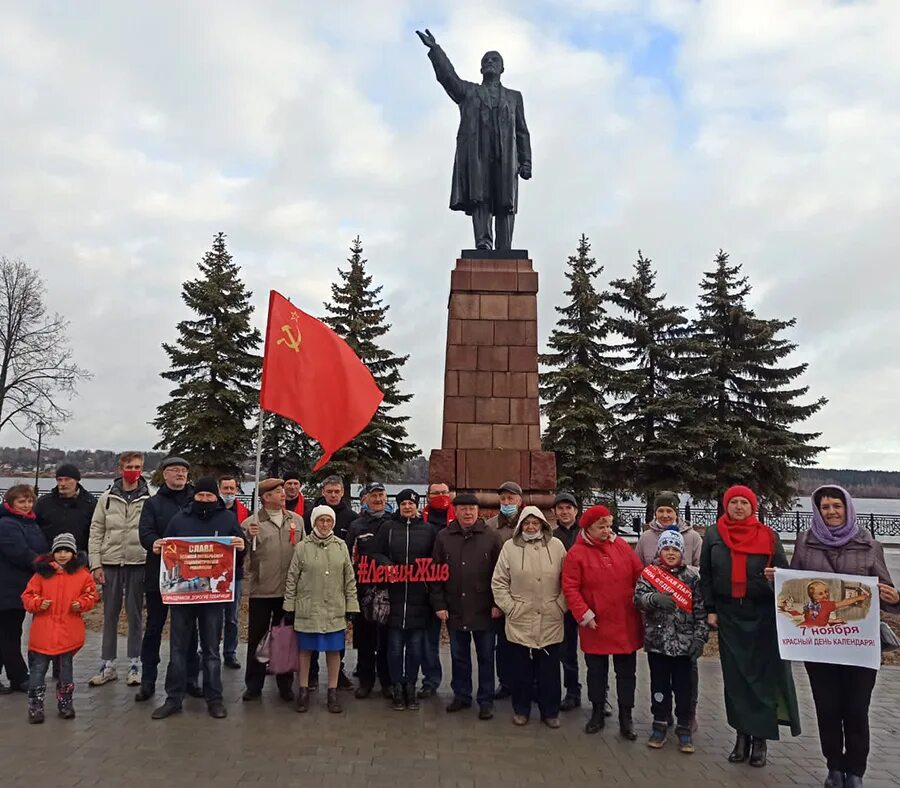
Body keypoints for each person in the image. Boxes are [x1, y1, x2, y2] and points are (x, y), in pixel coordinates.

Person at [789, 485, 900, 788]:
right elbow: (794, 591)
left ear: (847, 508)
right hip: (821, 647)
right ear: (818, 510)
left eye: (836, 506)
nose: (831, 512)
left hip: (859, 646)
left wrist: (894, 597)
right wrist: (778, 581)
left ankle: (856, 772)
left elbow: (886, 595)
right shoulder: (805, 543)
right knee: (827, 708)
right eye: (825, 507)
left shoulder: (869, 546)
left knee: (855, 709)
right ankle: (834, 768)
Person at [699, 485, 800, 768]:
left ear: (752, 506)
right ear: (726, 505)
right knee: (736, 679)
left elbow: (785, 578)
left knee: (761, 677)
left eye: (744, 502)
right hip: (729, 614)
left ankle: (760, 741)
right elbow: (706, 574)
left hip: (762, 615)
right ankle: (741, 736)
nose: (739, 507)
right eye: (734, 502)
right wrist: (710, 610)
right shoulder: (714, 534)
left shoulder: (768, 536)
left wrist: (774, 576)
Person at [416, 28, 532, 251]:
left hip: (506, 157)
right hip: (478, 155)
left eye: (494, 59)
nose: (490, 62)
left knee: (506, 202)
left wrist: (526, 161)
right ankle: (483, 242)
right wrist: (436, 50)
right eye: (486, 60)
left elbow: (522, 131)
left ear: (502, 68)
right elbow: (448, 79)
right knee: (481, 198)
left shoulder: (514, 97)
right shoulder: (469, 92)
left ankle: (505, 247)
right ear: (480, 68)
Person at [150, 477, 245, 720]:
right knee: (179, 648)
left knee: (212, 649)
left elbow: (238, 558)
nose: (205, 500)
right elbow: (168, 553)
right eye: (201, 496)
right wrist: (160, 546)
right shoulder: (180, 519)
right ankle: (173, 698)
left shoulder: (227, 519)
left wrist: (240, 545)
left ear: (216, 497)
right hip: (183, 596)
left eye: (209, 496)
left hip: (212, 596)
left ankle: (215, 699)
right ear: (195, 496)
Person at [561, 504, 643, 740]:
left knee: (626, 673)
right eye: (602, 526)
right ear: (589, 527)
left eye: (609, 525)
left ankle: (626, 718)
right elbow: (570, 587)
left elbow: (639, 573)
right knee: (596, 672)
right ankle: (597, 712)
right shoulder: (576, 554)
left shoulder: (621, 546)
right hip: (595, 622)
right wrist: (584, 614)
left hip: (624, 620)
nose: (607, 530)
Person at [633, 527, 708, 754]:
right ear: (659, 551)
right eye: (665, 548)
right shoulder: (650, 574)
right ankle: (660, 723)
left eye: (675, 548)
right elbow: (637, 599)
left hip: (684, 647)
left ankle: (684, 728)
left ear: (682, 552)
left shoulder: (692, 578)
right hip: (658, 644)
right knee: (659, 687)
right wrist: (653, 598)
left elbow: (701, 612)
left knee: (684, 689)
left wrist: (699, 638)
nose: (670, 552)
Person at [491, 505, 567, 728]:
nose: (531, 527)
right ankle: (521, 710)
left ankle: (550, 711)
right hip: (520, 617)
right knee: (521, 669)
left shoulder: (556, 546)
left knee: (550, 670)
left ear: (543, 524)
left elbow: (569, 579)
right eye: (527, 523)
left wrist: (561, 606)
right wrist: (510, 608)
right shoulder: (509, 547)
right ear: (520, 525)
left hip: (550, 616)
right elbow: (499, 582)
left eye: (535, 523)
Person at [431, 493, 503, 720]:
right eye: (463, 508)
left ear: (478, 510)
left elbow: (500, 574)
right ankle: (461, 695)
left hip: (484, 608)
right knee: (459, 655)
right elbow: (435, 574)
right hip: (455, 606)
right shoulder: (444, 537)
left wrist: (497, 604)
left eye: (472, 508)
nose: (468, 512)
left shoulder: (490, 537)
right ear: (456, 511)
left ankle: (486, 700)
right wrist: (439, 603)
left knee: (485, 656)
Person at [135, 457, 200, 702]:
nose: (180, 474)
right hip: (159, 576)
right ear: (165, 474)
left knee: (190, 631)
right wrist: (154, 543)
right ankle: (148, 680)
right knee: (154, 628)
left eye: (184, 470)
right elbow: (146, 532)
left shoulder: (196, 500)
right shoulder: (153, 504)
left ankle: (191, 678)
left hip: (191, 577)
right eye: (174, 470)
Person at [284, 505, 358, 715]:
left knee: (334, 651)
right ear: (314, 523)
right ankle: (304, 690)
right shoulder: (302, 547)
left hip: (334, 608)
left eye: (328, 521)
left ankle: (332, 692)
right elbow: (292, 578)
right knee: (305, 651)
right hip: (308, 607)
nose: (325, 525)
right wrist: (289, 605)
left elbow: (349, 579)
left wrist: (351, 605)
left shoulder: (341, 546)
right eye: (320, 521)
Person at [87, 451, 150, 689]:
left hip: (138, 562)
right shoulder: (107, 498)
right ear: (120, 469)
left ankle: (135, 663)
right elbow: (96, 531)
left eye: (138, 466)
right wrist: (96, 563)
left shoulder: (149, 497)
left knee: (135, 616)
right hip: (111, 563)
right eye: (129, 466)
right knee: (110, 615)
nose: (133, 470)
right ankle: (107, 663)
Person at [21, 532, 98, 723]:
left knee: (66, 670)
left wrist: (81, 603)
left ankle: (65, 703)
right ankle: (35, 705)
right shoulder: (41, 574)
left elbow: (91, 596)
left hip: (67, 632)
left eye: (67, 550)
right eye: (59, 550)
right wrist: (38, 603)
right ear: (52, 552)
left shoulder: (82, 575)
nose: (62, 554)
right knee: (38, 670)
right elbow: (28, 596)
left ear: (73, 553)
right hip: (43, 633)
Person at [371, 489, 437, 710]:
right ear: (398, 506)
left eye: (411, 503)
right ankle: (397, 686)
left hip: (419, 597)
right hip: (394, 596)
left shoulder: (428, 530)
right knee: (395, 648)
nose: (408, 507)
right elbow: (375, 553)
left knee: (416, 648)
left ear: (417, 506)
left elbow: (436, 560)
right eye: (403, 504)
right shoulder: (388, 528)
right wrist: (386, 564)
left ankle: (411, 685)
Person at [241, 477, 303, 702]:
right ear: (266, 497)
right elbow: (242, 558)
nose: (283, 494)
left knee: (285, 639)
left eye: (282, 490)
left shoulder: (296, 520)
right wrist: (248, 538)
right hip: (261, 590)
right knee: (257, 638)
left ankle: (285, 684)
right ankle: (253, 684)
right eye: (278, 491)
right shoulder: (251, 523)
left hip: (287, 591)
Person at [303, 474, 355, 691]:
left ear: (342, 492)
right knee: (311, 630)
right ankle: (312, 673)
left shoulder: (352, 517)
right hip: (313, 583)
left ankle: (338, 671)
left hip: (337, 584)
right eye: (329, 491)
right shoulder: (309, 516)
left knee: (336, 633)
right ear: (323, 492)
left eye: (337, 491)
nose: (333, 495)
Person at [0, 485, 48, 694]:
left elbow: (40, 546)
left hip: (20, 587)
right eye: (22, 502)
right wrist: (42, 562)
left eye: (29, 501)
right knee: (9, 634)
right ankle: (19, 677)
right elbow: (19, 552)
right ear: (11, 503)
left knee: (8, 633)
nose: (27, 505)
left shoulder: (30, 522)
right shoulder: (6, 524)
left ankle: (14, 676)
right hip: (6, 587)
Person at [347, 482, 391, 699]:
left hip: (387, 591)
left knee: (385, 640)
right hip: (363, 589)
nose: (378, 500)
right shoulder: (357, 526)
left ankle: (387, 681)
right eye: (373, 496)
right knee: (364, 639)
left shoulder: (393, 523)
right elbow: (348, 559)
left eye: (381, 495)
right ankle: (365, 680)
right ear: (365, 499)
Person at [486, 480, 522, 700]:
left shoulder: (531, 523)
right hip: (500, 594)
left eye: (511, 498)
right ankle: (505, 683)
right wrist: (494, 601)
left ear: (520, 500)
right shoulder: (490, 527)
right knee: (503, 643)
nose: (507, 502)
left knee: (525, 642)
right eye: (503, 499)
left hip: (524, 594)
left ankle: (527, 683)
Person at [419, 480, 454, 697]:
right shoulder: (419, 520)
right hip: (427, 587)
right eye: (436, 493)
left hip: (454, 587)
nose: (440, 495)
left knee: (459, 643)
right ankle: (430, 681)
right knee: (427, 640)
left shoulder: (459, 519)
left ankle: (461, 687)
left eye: (444, 492)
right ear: (428, 496)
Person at [551, 492, 583, 711]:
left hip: (587, 601)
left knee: (596, 654)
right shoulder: (550, 537)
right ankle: (572, 692)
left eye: (568, 508)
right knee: (567, 651)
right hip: (563, 602)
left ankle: (602, 695)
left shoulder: (586, 534)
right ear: (555, 512)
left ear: (576, 511)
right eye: (560, 508)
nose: (564, 512)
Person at [218, 475, 249, 671]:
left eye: (232, 489)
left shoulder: (243, 511)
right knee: (210, 617)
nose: (229, 492)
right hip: (212, 571)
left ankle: (230, 652)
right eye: (225, 488)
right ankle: (207, 650)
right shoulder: (212, 510)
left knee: (232, 616)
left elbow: (246, 544)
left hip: (234, 571)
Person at [34, 463, 96, 553]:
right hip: (49, 557)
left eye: (67, 479)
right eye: (59, 480)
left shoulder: (90, 503)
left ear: (77, 480)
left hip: (79, 557)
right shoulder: (44, 503)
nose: (63, 484)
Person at [635, 492, 703, 567]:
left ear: (676, 513)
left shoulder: (693, 537)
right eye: (661, 511)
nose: (665, 515)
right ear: (655, 513)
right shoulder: (646, 537)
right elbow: (638, 567)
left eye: (669, 511)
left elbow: (701, 567)